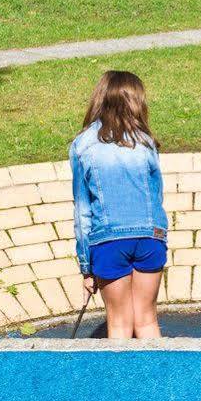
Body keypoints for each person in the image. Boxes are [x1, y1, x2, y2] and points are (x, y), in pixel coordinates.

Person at [70, 70, 169, 340]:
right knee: (147, 319)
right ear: (137, 102)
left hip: (108, 240)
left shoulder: (82, 145)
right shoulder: (145, 141)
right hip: (150, 236)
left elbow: (82, 211)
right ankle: (157, 380)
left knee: (119, 324)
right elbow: (156, 194)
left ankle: (120, 381)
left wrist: (86, 266)